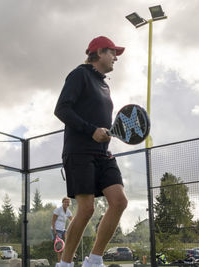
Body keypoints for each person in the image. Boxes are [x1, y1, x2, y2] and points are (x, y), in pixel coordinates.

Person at [54, 36, 128, 267]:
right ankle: (64, 264)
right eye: (113, 52)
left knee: (119, 201)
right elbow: (61, 109)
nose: (116, 57)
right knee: (86, 210)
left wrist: (105, 132)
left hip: (102, 153)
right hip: (79, 152)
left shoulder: (105, 85)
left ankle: (94, 260)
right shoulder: (79, 75)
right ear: (99, 52)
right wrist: (90, 130)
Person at [51, 197, 73, 262]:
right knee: (59, 248)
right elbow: (53, 222)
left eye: (68, 202)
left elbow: (73, 221)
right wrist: (55, 232)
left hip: (63, 230)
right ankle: (60, 263)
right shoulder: (58, 210)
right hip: (56, 230)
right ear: (62, 202)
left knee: (70, 241)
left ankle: (72, 255)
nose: (66, 203)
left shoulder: (68, 212)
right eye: (65, 202)